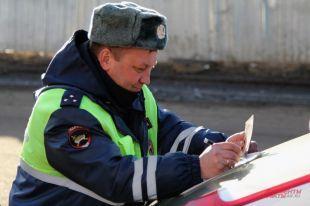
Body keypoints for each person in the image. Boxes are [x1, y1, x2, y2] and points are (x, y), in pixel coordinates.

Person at [9, 2, 257, 205]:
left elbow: (167, 131)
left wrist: (219, 145)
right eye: (140, 68)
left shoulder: (128, 88)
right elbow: (116, 178)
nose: (147, 79)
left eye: (151, 67)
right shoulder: (64, 112)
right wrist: (197, 167)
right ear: (106, 58)